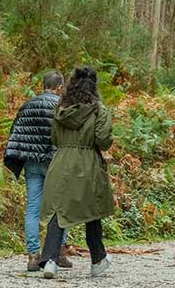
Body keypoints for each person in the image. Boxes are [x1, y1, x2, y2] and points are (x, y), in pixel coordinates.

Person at [38, 66, 115, 279]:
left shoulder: (61, 109)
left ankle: (50, 261)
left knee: (58, 210)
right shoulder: (99, 109)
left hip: (61, 162)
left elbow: (54, 138)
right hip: (88, 164)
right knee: (93, 211)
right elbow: (103, 140)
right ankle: (98, 260)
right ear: (94, 87)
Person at [4, 71, 71, 273]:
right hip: (54, 163)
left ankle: (33, 257)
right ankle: (58, 252)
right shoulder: (60, 107)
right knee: (59, 207)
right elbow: (66, 137)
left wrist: (17, 160)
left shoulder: (26, 106)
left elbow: (15, 136)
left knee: (32, 208)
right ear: (59, 88)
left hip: (31, 164)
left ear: (43, 86)